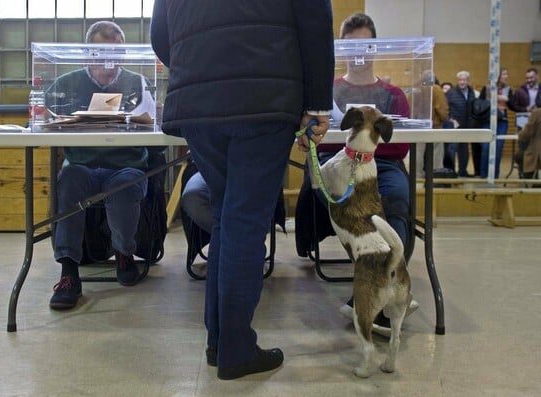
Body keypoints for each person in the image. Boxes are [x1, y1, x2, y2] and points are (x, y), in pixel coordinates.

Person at [151, 0, 334, 380]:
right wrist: (317, 102)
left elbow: (159, 35)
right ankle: (236, 348)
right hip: (264, 99)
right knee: (245, 221)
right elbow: (314, 17)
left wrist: (201, 68)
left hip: (198, 103)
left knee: (226, 216)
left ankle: (220, 341)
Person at [295, 12, 417, 338]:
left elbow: (398, 148)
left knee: (397, 199)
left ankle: (381, 284)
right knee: (342, 200)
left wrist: (358, 146)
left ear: (375, 47)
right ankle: (372, 290)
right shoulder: (326, 91)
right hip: (333, 163)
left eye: (365, 45)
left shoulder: (395, 96)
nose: (358, 52)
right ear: (341, 50)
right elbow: (313, 137)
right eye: (351, 46)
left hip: (383, 166)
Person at [46, 21, 157, 310]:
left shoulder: (137, 82)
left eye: (117, 53)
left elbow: (155, 123)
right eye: (101, 53)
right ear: (88, 55)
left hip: (125, 163)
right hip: (83, 164)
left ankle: (123, 252)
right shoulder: (66, 83)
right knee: (69, 180)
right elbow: (41, 119)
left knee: (125, 185)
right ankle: (69, 269)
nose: (109, 60)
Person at [479, 67, 515, 178]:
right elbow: (480, 103)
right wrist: (497, 97)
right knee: (486, 147)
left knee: (498, 148)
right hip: (487, 120)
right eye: (504, 74)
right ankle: (484, 175)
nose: (507, 76)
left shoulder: (508, 89)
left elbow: (512, 105)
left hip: (502, 121)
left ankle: (495, 175)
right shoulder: (487, 88)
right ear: (498, 76)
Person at [415, 72, 450, 176]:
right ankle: (436, 174)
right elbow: (441, 108)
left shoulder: (416, 89)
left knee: (417, 151)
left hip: (417, 125)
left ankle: (416, 174)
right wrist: (444, 118)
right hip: (434, 125)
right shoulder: (436, 89)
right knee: (436, 151)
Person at [444, 70, 477, 176]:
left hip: (467, 125)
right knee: (452, 149)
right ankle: (451, 172)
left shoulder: (472, 92)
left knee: (464, 150)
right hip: (455, 125)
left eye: (464, 80)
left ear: (468, 81)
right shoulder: (451, 92)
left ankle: (463, 171)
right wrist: (452, 119)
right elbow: (446, 109)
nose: (462, 82)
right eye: (460, 80)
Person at [517, 107, 541, 178]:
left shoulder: (537, 113)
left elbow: (525, 134)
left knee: (518, 157)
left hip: (537, 151)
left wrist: (520, 134)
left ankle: (531, 182)